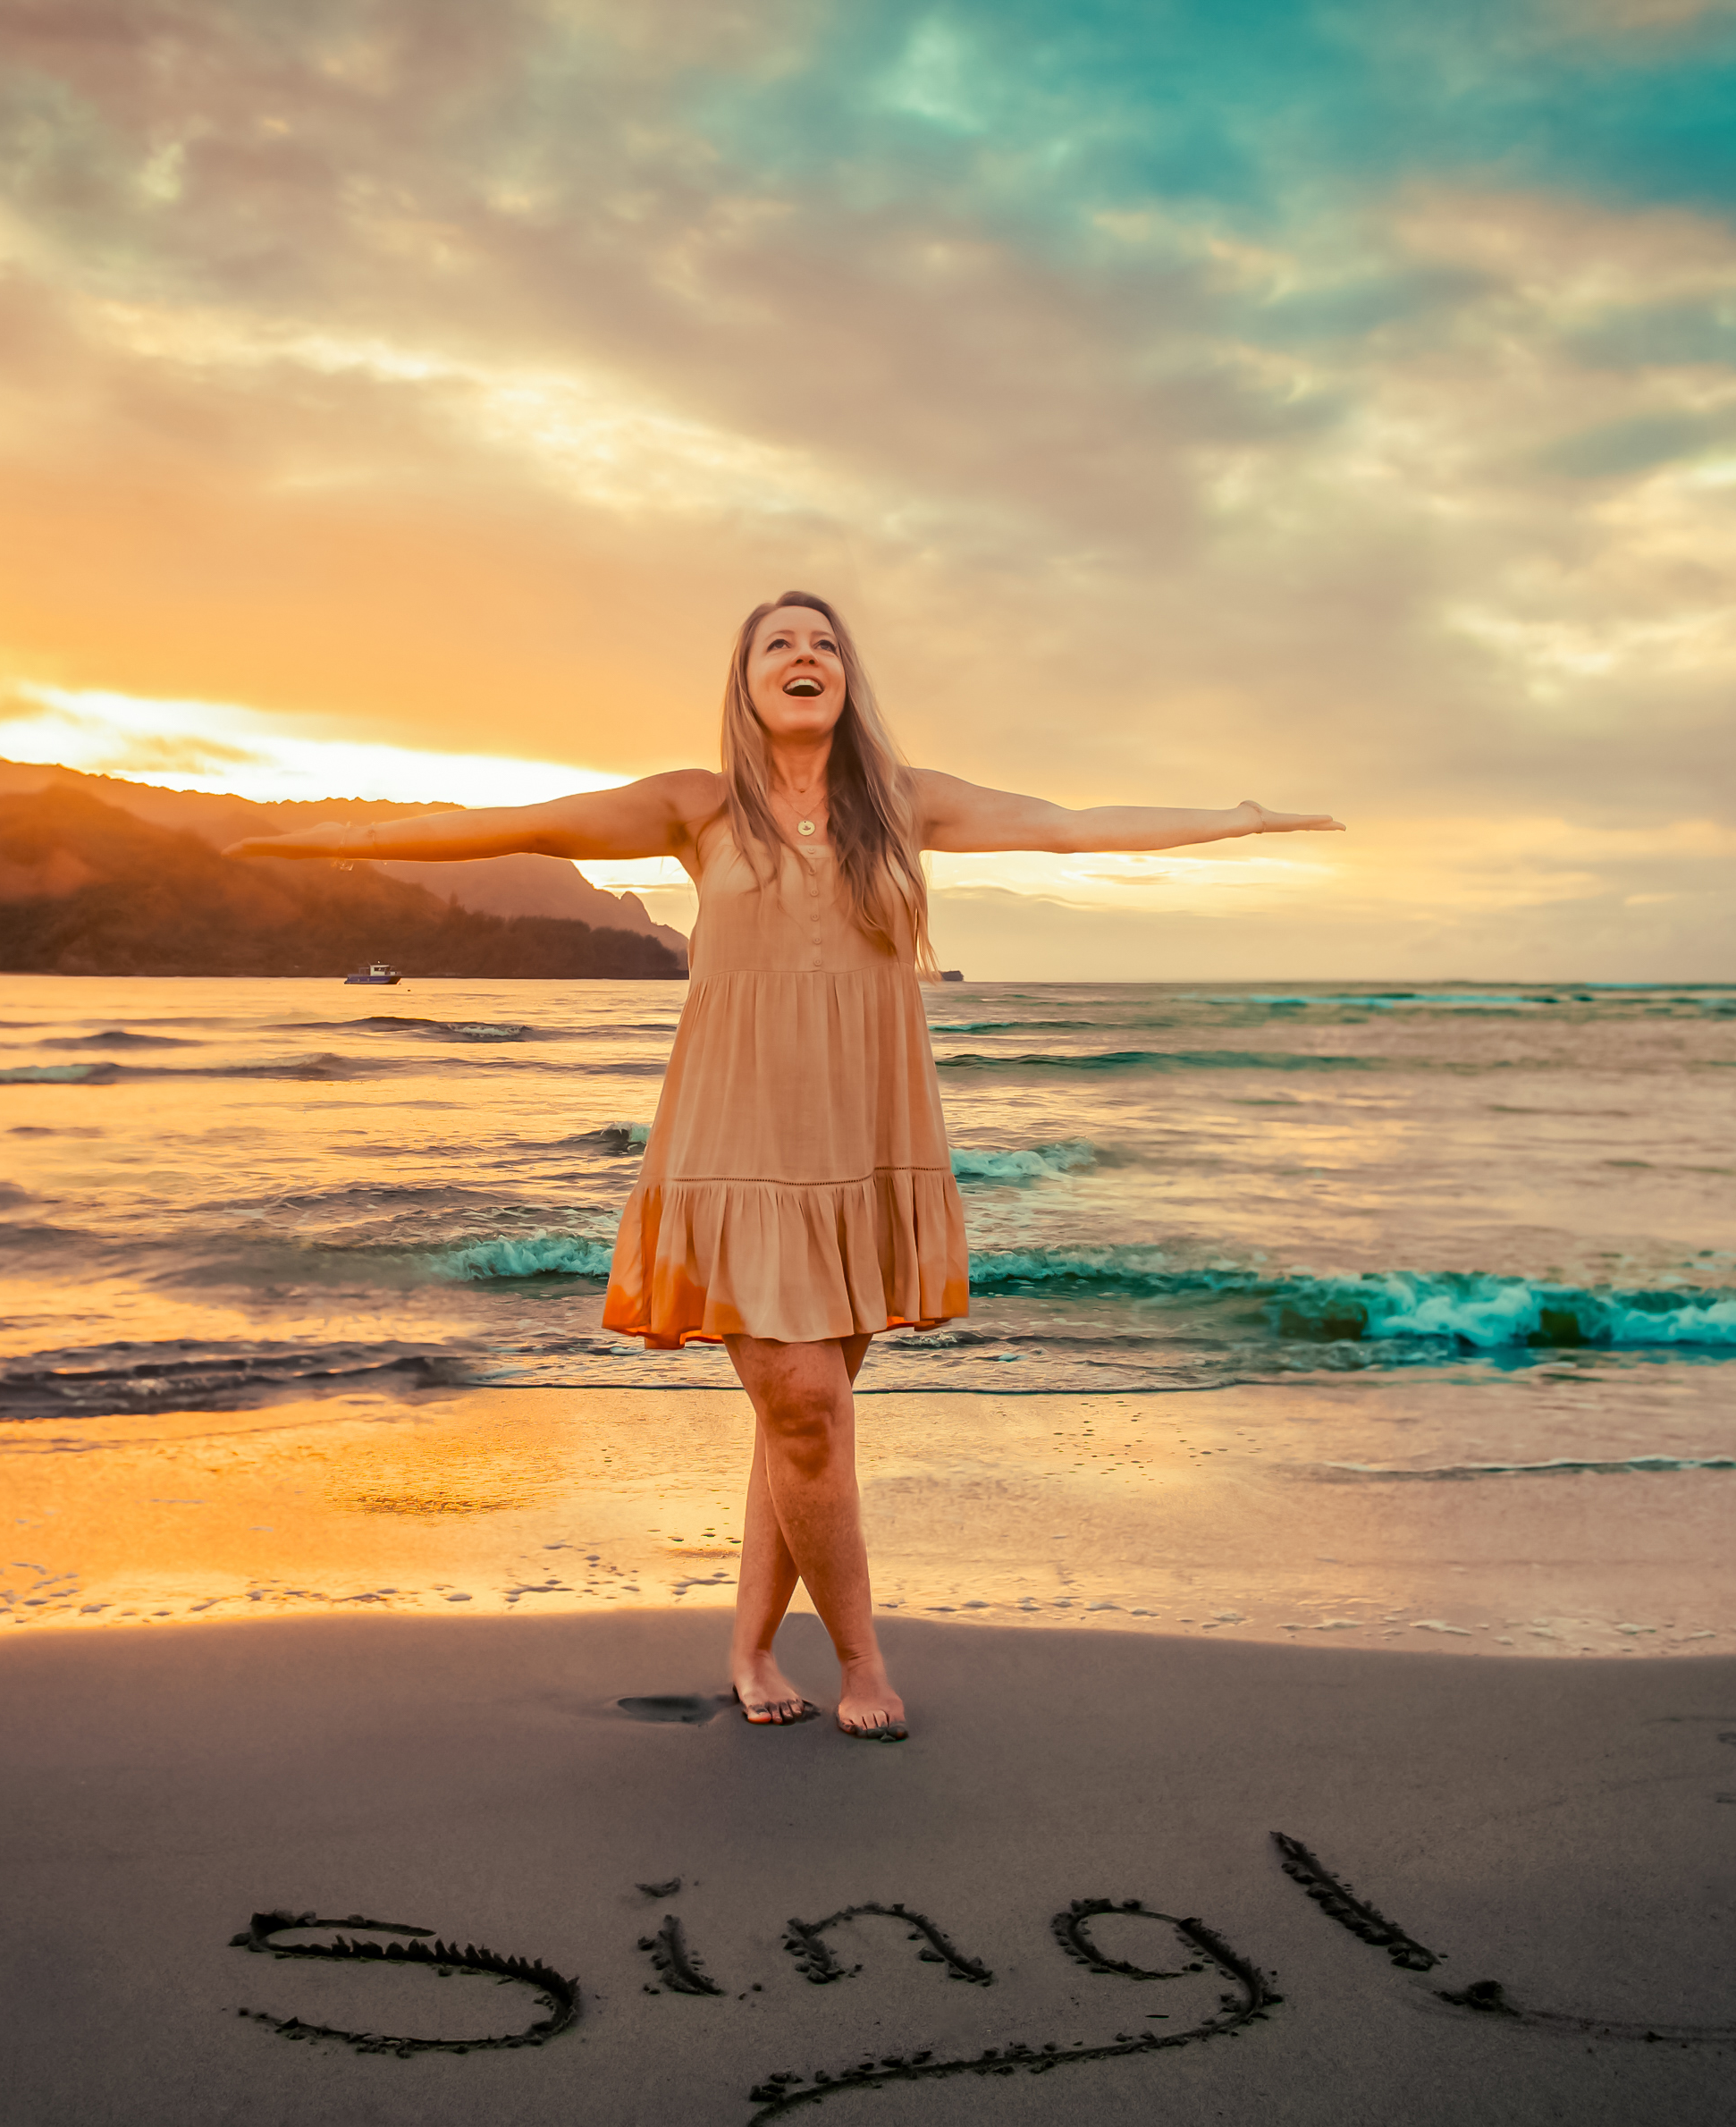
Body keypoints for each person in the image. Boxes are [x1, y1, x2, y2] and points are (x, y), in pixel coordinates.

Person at [229, 592, 1343, 1740]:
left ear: (847, 680)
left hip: (865, 1140)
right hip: (734, 1140)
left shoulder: (900, 807)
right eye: (780, 645)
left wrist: (1237, 818)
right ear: (747, 680)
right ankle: (863, 1664)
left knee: (801, 1416)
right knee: (805, 1403)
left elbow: (1067, 822)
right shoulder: (696, 806)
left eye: (825, 645)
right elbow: (526, 823)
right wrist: (341, 840)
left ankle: (753, 1647)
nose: (805, 657)